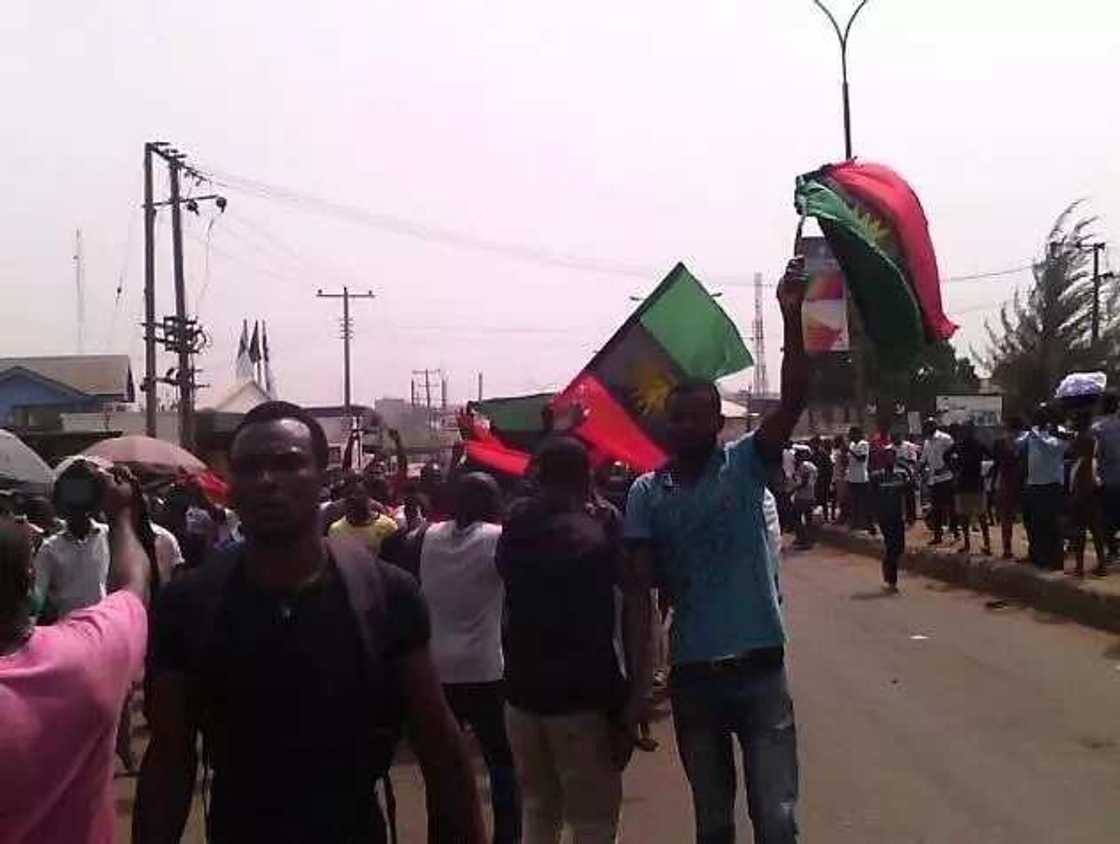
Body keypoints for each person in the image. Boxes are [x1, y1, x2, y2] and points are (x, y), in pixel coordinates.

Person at [134, 401, 485, 844]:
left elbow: (441, 749)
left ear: (323, 477)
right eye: (249, 468)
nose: (267, 481)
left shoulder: (386, 594)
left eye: (287, 464)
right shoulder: (188, 605)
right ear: (231, 486)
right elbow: (169, 757)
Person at [623, 258, 808, 844]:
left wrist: (791, 315)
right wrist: (637, 687)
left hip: (760, 669)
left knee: (776, 821)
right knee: (713, 825)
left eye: (696, 417)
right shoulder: (646, 494)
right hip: (692, 678)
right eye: (675, 418)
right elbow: (637, 597)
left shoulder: (748, 463)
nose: (684, 426)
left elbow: (796, 396)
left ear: (718, 423)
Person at [0, 466, 152, 843]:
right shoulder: (90, 657)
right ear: (30, 576)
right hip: (91, 650)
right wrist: (122, 515)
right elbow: (134, 583)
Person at [498, 436, 634, 844]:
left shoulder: (513, 531)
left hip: (521, 700)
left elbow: (526, 494)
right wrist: (621, 709)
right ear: (587, 478)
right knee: (592, 823)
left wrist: (551, 435)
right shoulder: (594, 539)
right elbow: (601, 632)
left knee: (538, 813)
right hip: (580, 704)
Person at [420, 471, 521, 844]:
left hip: (437, 669)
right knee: (501, 762)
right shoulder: (497, 539)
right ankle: (507, 837)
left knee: (443, 765)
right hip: (485, 668)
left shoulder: (427, 537)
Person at [31, 461, 111, 621]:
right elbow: (36, 601)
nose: (78, 508)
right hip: (70, 634)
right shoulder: (50, 549)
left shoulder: (110, 537)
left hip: (107, 630)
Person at [1020, 404, 1072, 571]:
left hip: (1051, 486)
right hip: (1034, 484)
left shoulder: (1058, 435)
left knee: (1052, 524)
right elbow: (1018, 445)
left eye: (1040, 415)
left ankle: (1056, 560)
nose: (1036, 419)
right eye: (1036, 416)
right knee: (1035, 524)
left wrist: (1037, 433)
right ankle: (1038, 556)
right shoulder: (1032, 435)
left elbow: (1051, 447)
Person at [1069, 413, 1107, 577]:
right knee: (1096, 528)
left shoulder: (1080, 441)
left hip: (1082, 489)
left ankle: (1079, 567)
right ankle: (1102, 564)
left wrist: (1071, 488)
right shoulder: (1093, 440)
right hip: (1093, 487)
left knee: (1079, 529)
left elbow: (1076, 465)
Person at [328, 471, 400, 557]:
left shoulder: (388, 527)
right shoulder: (335, 530)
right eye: (349, 494)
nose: (353, 498)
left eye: (359, 493)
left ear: (368, 496)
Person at [948, 421, 992, 555]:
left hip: (967, 483)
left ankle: (977, 544)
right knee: (974, 516)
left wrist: (954, 468)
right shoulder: (975, 444)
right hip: (973, 483)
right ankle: (983, 544)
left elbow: (946, 456)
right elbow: (993, 456)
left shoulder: (963, 445)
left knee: (971, 516)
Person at [870, 446, 910, 593]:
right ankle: (892, 579)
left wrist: (910, 515)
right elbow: (871, 499)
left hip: (898, 515)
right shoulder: (876, 476)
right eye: (887, 456)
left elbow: (909, 495)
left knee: (900, 547)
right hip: (884, 517)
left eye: (893, 456)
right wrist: (871, 521)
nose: (890, 459)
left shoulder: (901, 474)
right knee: (892, 545)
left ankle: (888, 566)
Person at [992, 416, 1026, 560]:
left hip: (1006, 482)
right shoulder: (1026, 440)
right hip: (1024, 481)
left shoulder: (1000, 442)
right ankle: (1032, 550)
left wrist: (994, 482)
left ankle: (1007, 549)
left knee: (1006, 519)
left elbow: (997, 463)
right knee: (1029, 518)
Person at [1092, 391, 1120, 561]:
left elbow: (1095, 456)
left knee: (1107, 518)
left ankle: (1112, 551)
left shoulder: (1097, 428)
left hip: (1107, 479)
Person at [921, 419, 956, 546]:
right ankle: (937, 535)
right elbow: (924, 460)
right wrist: (916, 471)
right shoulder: (926, 442)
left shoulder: (945, 438)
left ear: (934, 427)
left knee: (951, 506)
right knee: (936, 509)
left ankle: (955, 531)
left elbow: (954, 456)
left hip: (947, 477)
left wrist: (946, 468)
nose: (926, 429)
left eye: (928, 426)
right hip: (933, 479)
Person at [846, 426, 873, 534]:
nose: (850, 436)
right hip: (852, 477)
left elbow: (861, 459)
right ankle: (856, 523)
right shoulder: (852, 444)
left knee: (865, 502)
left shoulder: (864, 444)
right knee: (854, 502)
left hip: (862, 478)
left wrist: (849, 451)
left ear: (857, 434)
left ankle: (869, 524)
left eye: (851, 434)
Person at [790, 446, 817, 550]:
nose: (795, 457)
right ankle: (807, 540)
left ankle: (803, 539)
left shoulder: (804, 466)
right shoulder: (812, 465)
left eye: (797, 455)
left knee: (796, 517)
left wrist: (793, 490)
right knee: (808, 518)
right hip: (810, 494)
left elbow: (804, 482)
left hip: (802, 496)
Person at [892, 433, 920, 526]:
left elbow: (913, 460)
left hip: (908, 473)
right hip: (895, 475)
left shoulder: (908, 446)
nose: (895, 440)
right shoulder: (889, 448)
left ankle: (911, 517)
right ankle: (899, 517)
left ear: (900, 437)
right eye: (893, 439)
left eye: (896, 438)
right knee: (897, 498)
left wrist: (902, 461)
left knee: (909, 497)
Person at [809, 437, 833, 524]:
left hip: (823, 481)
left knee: (824, 500)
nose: (812, 445)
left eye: (813, 443)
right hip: (816, 481)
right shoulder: (813, 454)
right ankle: (816, 519)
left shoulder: (824, 454)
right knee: (816, 500)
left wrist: (828, 482)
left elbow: (830, 469)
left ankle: (826, 518)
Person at [831, 434, 848, 525]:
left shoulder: (842, 452)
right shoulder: (837, 451)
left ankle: (843, 518)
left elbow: (844, 464)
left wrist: (842, 473)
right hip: (837, 477)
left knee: (842, 499)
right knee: (838, 498)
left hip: (841, 477)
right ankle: (841, 517)